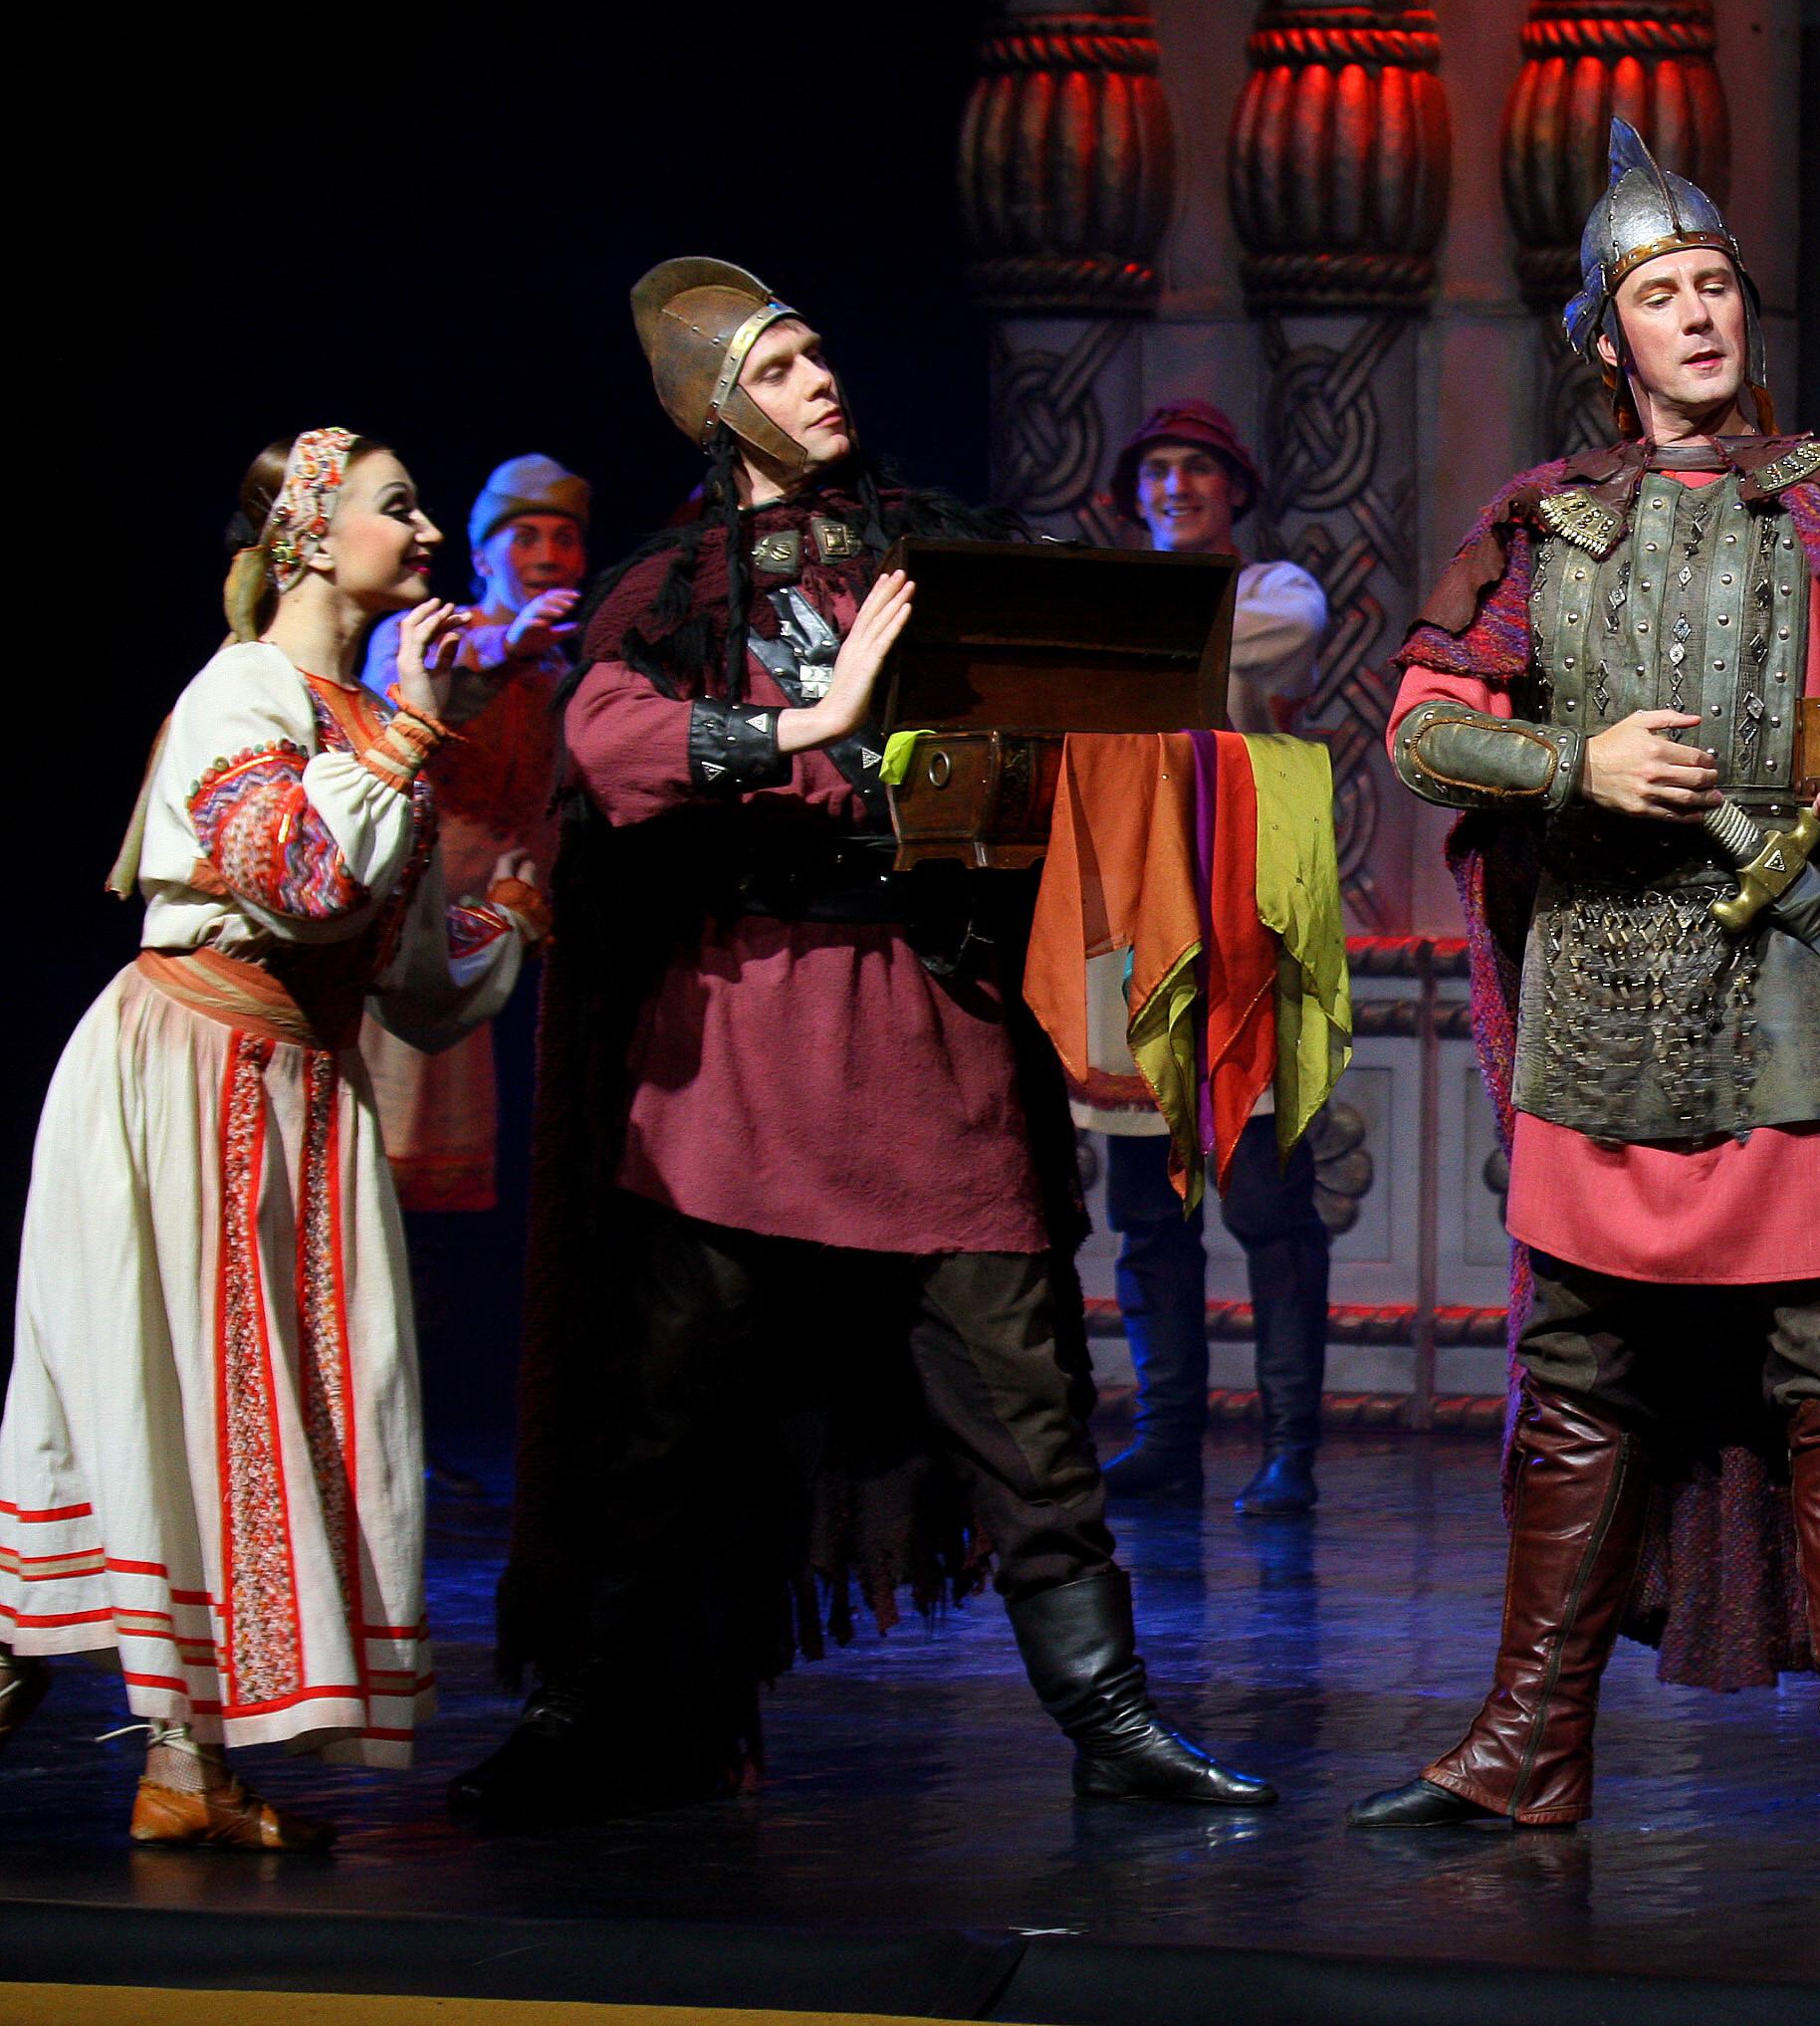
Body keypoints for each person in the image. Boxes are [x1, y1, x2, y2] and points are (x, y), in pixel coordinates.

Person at [452, 259, 1274, 1830]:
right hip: (746, 1046)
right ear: (715, 410)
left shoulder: (933, 550)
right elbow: (604, 744)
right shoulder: (674, 586)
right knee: (662, 1420)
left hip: (925, 1031)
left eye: (820, 355)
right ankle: (581, 1713)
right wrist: (800, 728)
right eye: (777, 369)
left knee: (1029, 1410)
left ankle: (1111, 1721)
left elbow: (1057, 715)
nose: (819, 380)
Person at [1345, 121, 1820, 1866]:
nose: (1701, 312)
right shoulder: (1543, 522)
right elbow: (1420, 726)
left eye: (1717, 282)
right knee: (1583, 1371)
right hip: (1603, 991)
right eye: (1662, 293)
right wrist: (1569, 759)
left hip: (1800, 979)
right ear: (1610, 338)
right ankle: (1528, 1744)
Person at [0, 430, 539, 1846]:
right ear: (307, 537)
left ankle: (185, 1769)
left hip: (299, 1087)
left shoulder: (372, 726)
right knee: (163, 1390)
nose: (428, 535)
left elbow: (406, 983)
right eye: (398, 508)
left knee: (269, 1407)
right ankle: (38, 1657)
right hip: (189, 1068)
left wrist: (508, 919)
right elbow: (295, 877)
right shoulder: (242, 690)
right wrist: (414, 729)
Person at [1085, 400, 1337, 1517]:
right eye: (1157, 471)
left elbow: (1208, 645)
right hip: (1139, 925)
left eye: (1197, 468)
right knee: (1149, 1209)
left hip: (1248, 924)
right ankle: (1167, 1436)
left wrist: (1098, 624)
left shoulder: (1277, 592)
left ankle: (1290, 1449)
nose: (1175, 487)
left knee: (1267, 1206)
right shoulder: (1118, 607)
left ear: (1235, 489)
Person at [355, 455, 587, 1212]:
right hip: (410, 950)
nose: (548, 554)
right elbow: (396, 721)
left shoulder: (563, 672)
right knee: (382, 1171)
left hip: (516, 948)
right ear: (483, 556)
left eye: (564, 538)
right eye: (525, 536)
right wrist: (503, 649)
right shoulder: (421, 633)